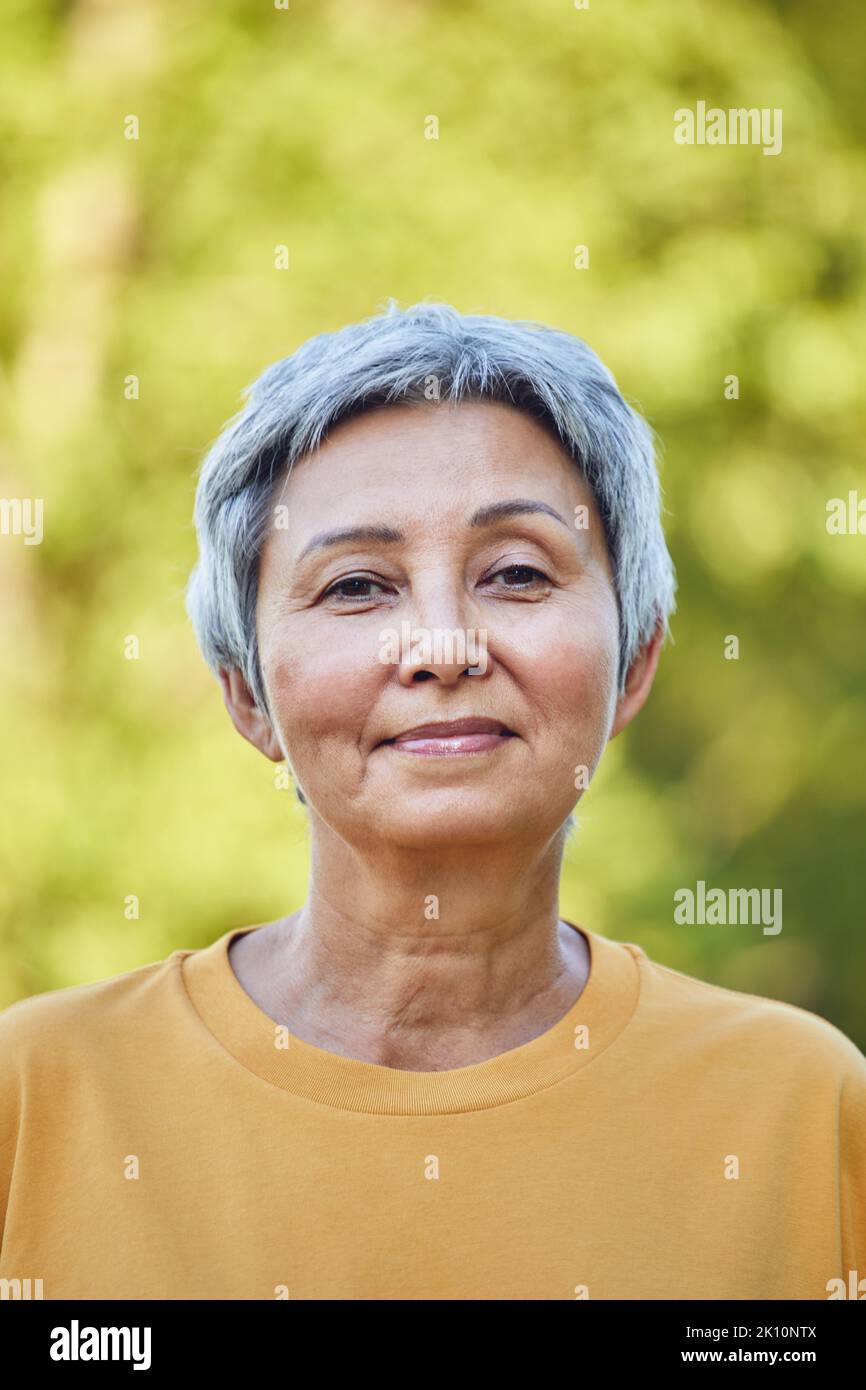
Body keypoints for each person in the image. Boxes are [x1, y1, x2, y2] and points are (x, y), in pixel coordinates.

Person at [1, 301, 863, 1301]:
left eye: (514, 573)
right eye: (357, 587)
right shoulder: (41, 1099)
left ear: (633, 661)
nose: (442, 646)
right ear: (246, 692)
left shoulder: (798, 1112)